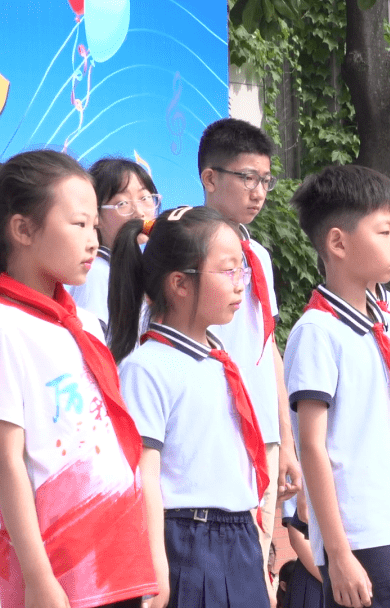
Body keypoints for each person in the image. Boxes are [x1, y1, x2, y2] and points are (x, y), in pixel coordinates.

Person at [0, 150, 157, 608]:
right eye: (78, 224)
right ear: (23, 229)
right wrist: (37, 578)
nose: (93, 241)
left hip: (114, 563)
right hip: (54, 571)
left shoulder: (85, 324)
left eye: (94, 225)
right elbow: (8, 462)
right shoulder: (8, 327)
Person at [286, 164, 390, 608]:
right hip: (362, 532)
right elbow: (313, 446)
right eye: (385, 231)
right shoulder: (318, 329)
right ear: (337, 242)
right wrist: (337, 552)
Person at [112, 205, 271, 608]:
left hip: (239, 537)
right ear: (180, 284)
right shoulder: (147, 367)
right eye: (228, 270)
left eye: (243, 270)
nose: (241, 285)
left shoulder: (218, 359)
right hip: (187, 540)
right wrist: (156, 567)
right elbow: (145, 476)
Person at [197, 118, 302, 601]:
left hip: (263, 436)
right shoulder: (183, 243)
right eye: (246, 178)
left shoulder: (257, 253)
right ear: (210, 177)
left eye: (265, 180)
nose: (258, 192)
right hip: (210, 430)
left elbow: (268, 349)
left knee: (257, 568)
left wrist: (284, 440)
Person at [68, 157, 161, 330]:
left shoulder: (137, 270)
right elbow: (93, 345)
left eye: (145, 198)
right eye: (122, 203)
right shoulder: (95, 273)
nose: (139, 213)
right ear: (96, 216)